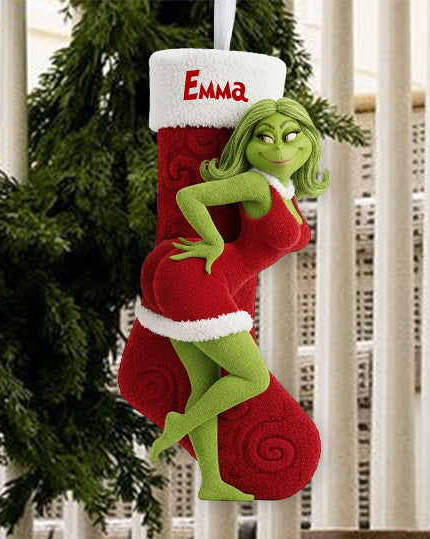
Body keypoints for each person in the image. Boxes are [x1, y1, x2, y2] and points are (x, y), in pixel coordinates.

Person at [134, 97, 329, 501]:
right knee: (251, 378)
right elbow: (190, 197)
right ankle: (182, 424)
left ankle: (212, 479)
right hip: (201, 278)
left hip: (218, 281)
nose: (278, 148)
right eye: (265, 137)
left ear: (308, 141)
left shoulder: (284, 190)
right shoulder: (256, 183)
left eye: (291, 137)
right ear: (247, 142)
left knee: (203, 381)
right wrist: (211, 240)